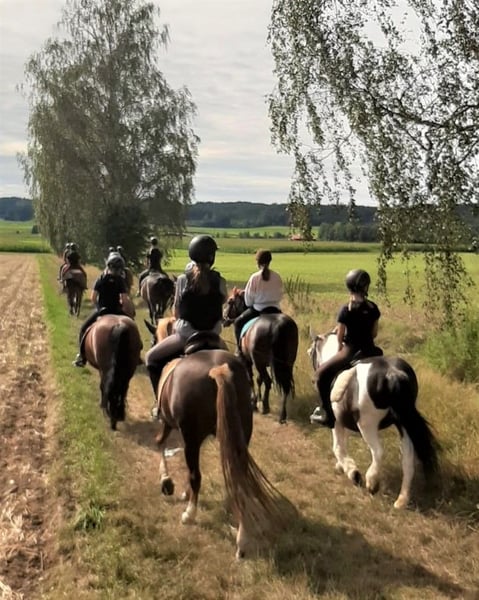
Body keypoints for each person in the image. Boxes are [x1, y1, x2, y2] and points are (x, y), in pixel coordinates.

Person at [145, 234, 226, 405]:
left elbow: (176, 312)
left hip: (186, 337)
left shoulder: (182, 280)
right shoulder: (220, 281)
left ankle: (159, 404)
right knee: (237, 365)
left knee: (150, 358)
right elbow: (221, 302)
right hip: (213, 336)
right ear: (212, 257)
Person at [310, 269, 383, 428]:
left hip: (350, 351)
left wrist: (339, 348)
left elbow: (339, 336)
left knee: (320, 376)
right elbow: (374, 333)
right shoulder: (373, 308)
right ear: (366, 287)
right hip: (371, 350)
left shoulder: (346, 309)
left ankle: (327, 415)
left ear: (349, 287)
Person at [72, 253, 129, 367]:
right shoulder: (121, 281)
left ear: (109, 265)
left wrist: (98, 307)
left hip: (102, 310)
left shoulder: (101, 279)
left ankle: (82, 357)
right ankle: (135, 354)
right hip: (117, 311)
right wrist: (123, 310)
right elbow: (124, 299)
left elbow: (93, 298)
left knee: (83, 329)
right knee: (132, 327)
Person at [233, 249, 283, 355]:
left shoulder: (255, 277)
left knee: (238, 323)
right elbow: (280, 295)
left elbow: (248, 301)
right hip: (276, 310)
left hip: (258, 310)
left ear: (258, 262)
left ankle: (239, 351)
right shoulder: (277, 276)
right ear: (270, 261)